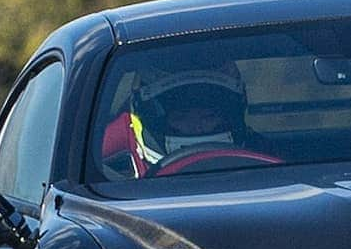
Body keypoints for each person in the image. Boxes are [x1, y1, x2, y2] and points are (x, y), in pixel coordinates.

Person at [103, 64, 248, 176]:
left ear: (231, 116)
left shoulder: (266, 154)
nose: (196, 127)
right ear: (153, 120)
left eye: (209, 117)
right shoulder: (113, 168)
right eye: (181, 117)